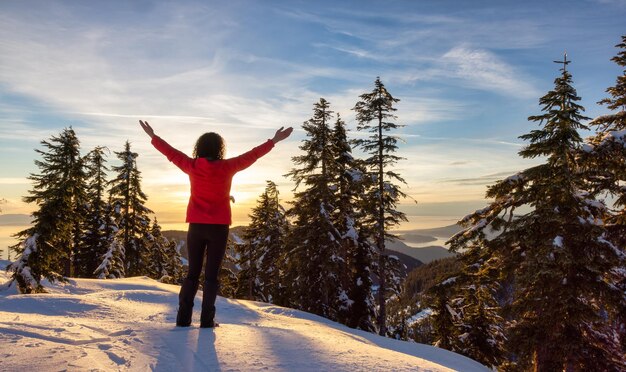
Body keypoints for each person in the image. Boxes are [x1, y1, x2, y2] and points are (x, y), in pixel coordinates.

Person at [139, 120, 293, 327]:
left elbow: (171, 153)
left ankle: (183, 319)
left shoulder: (193, 166)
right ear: (219, 148)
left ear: (199, 148)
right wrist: (274, 140)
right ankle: (206, 321)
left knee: (192, 274)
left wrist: (153, 136)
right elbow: (252, 155)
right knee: (211, 276)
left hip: (196, 226)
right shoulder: (228, 167)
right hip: (219, 228)